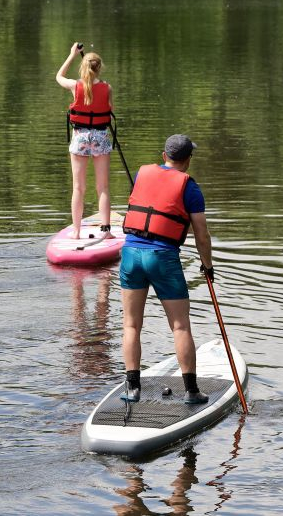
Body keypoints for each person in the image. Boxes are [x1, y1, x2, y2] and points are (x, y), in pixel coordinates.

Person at [118, 135, 214, 405]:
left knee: (131, 324)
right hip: (162, 258)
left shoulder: (141, 174)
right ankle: (192, 392)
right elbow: (202, 235)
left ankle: (133, 388)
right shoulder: (190, 187)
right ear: (188, 160)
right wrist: (207, 266)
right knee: (180, 326)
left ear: (164, 156)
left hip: (131, 255)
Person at [55, 42, 114, 239]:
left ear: (83, 67)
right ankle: (106, 232)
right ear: (99, 68)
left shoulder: (75, 86)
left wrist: (72, 55)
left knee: (78, 188)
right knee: (103, 187)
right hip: (100, 137)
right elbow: (110, 111)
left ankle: (77, 232)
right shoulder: (107, 87)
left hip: (80, 137)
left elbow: (58, 77)